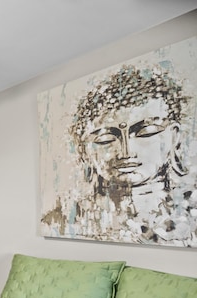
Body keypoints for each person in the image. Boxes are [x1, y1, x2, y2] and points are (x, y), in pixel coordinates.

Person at [42, 64, 196, 246]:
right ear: (84, 151)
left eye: (146, 132)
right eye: (106, 139)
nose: (126, 152)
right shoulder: (62, 219)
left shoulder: (190, 210)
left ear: (175, 137)